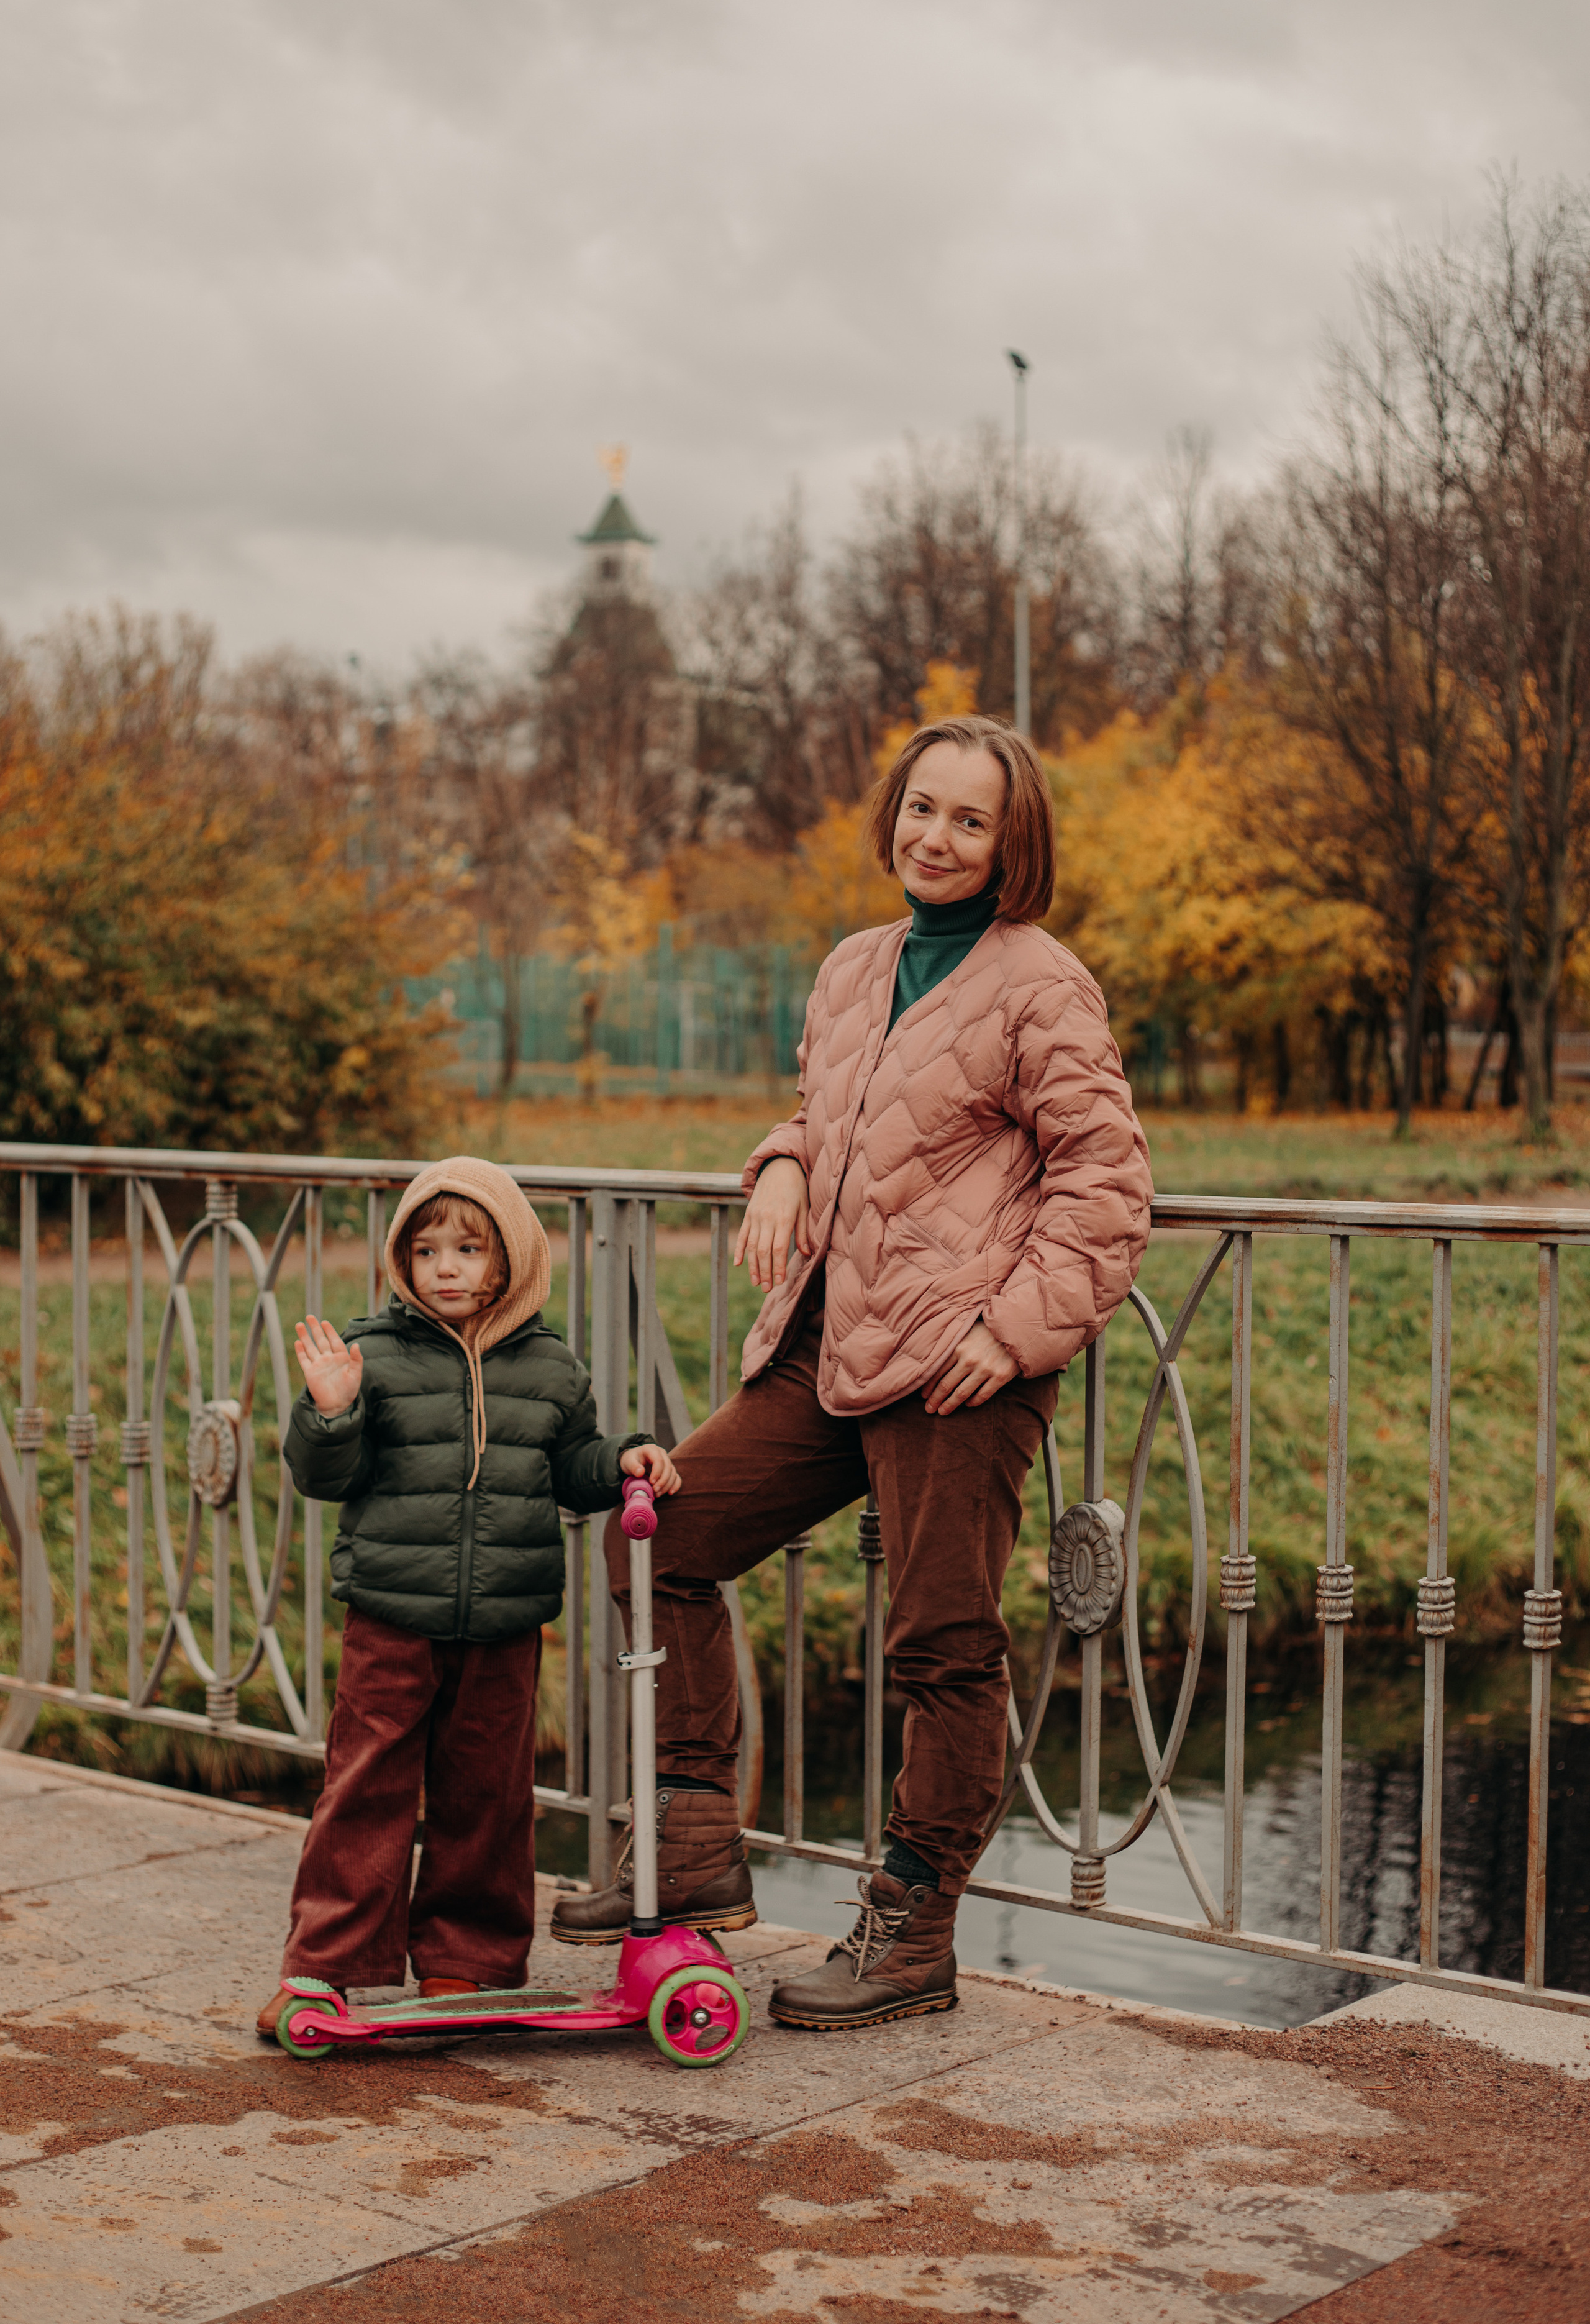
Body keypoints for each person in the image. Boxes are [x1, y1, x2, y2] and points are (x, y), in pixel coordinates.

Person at [552, 713, 1153, 2028]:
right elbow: (834, 1112)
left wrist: (1010, 1334)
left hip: (956, 1368)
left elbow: (1105, 1181)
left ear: (1012, 842)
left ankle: (909, 1924)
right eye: (918, 809)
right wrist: (777, 1161)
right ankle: (693, 1853)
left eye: (968, 819)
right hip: (820, 1348)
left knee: (939, 1643)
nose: (932, 837)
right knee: (659, 1538)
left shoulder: (1037, 982)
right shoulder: (850, 966)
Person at [255, 1155, 678, 2040]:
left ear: (509, 1262)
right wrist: (331, 1411)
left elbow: (571, 1467)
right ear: (401, 1262)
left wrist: (625, 1459)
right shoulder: (372, 1356)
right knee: (366, 1785)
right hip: (390, 1612)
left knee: (488, 1792)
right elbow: (327, 1477)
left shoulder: (551, 1367)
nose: (445, 1267)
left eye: (469, 1249)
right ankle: (325, 1966)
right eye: (426, 1250)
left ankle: (467, 1962)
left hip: (506, 1618)